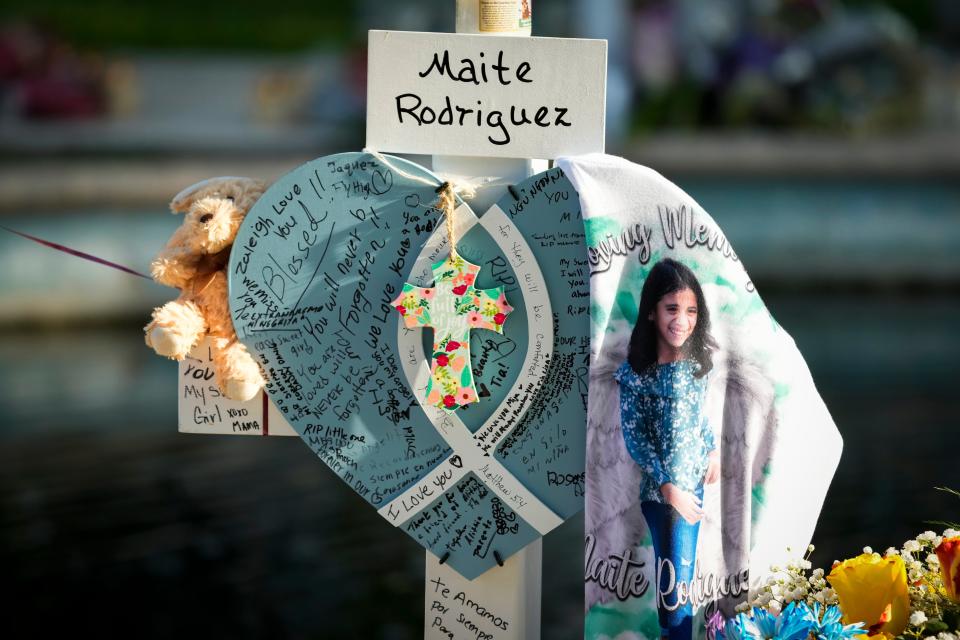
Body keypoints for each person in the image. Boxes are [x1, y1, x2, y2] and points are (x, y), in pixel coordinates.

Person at [614, 258, 720, 640]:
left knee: (685, 577)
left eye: (691, 311)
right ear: (652, 314)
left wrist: (711, 450)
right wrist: (666, 486)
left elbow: (700, 419)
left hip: (693, 489)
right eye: (672, 309)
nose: (682, 320)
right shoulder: (636, 375)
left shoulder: (695, 368)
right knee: (673, 582)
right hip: (662, 495)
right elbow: (635, 438)